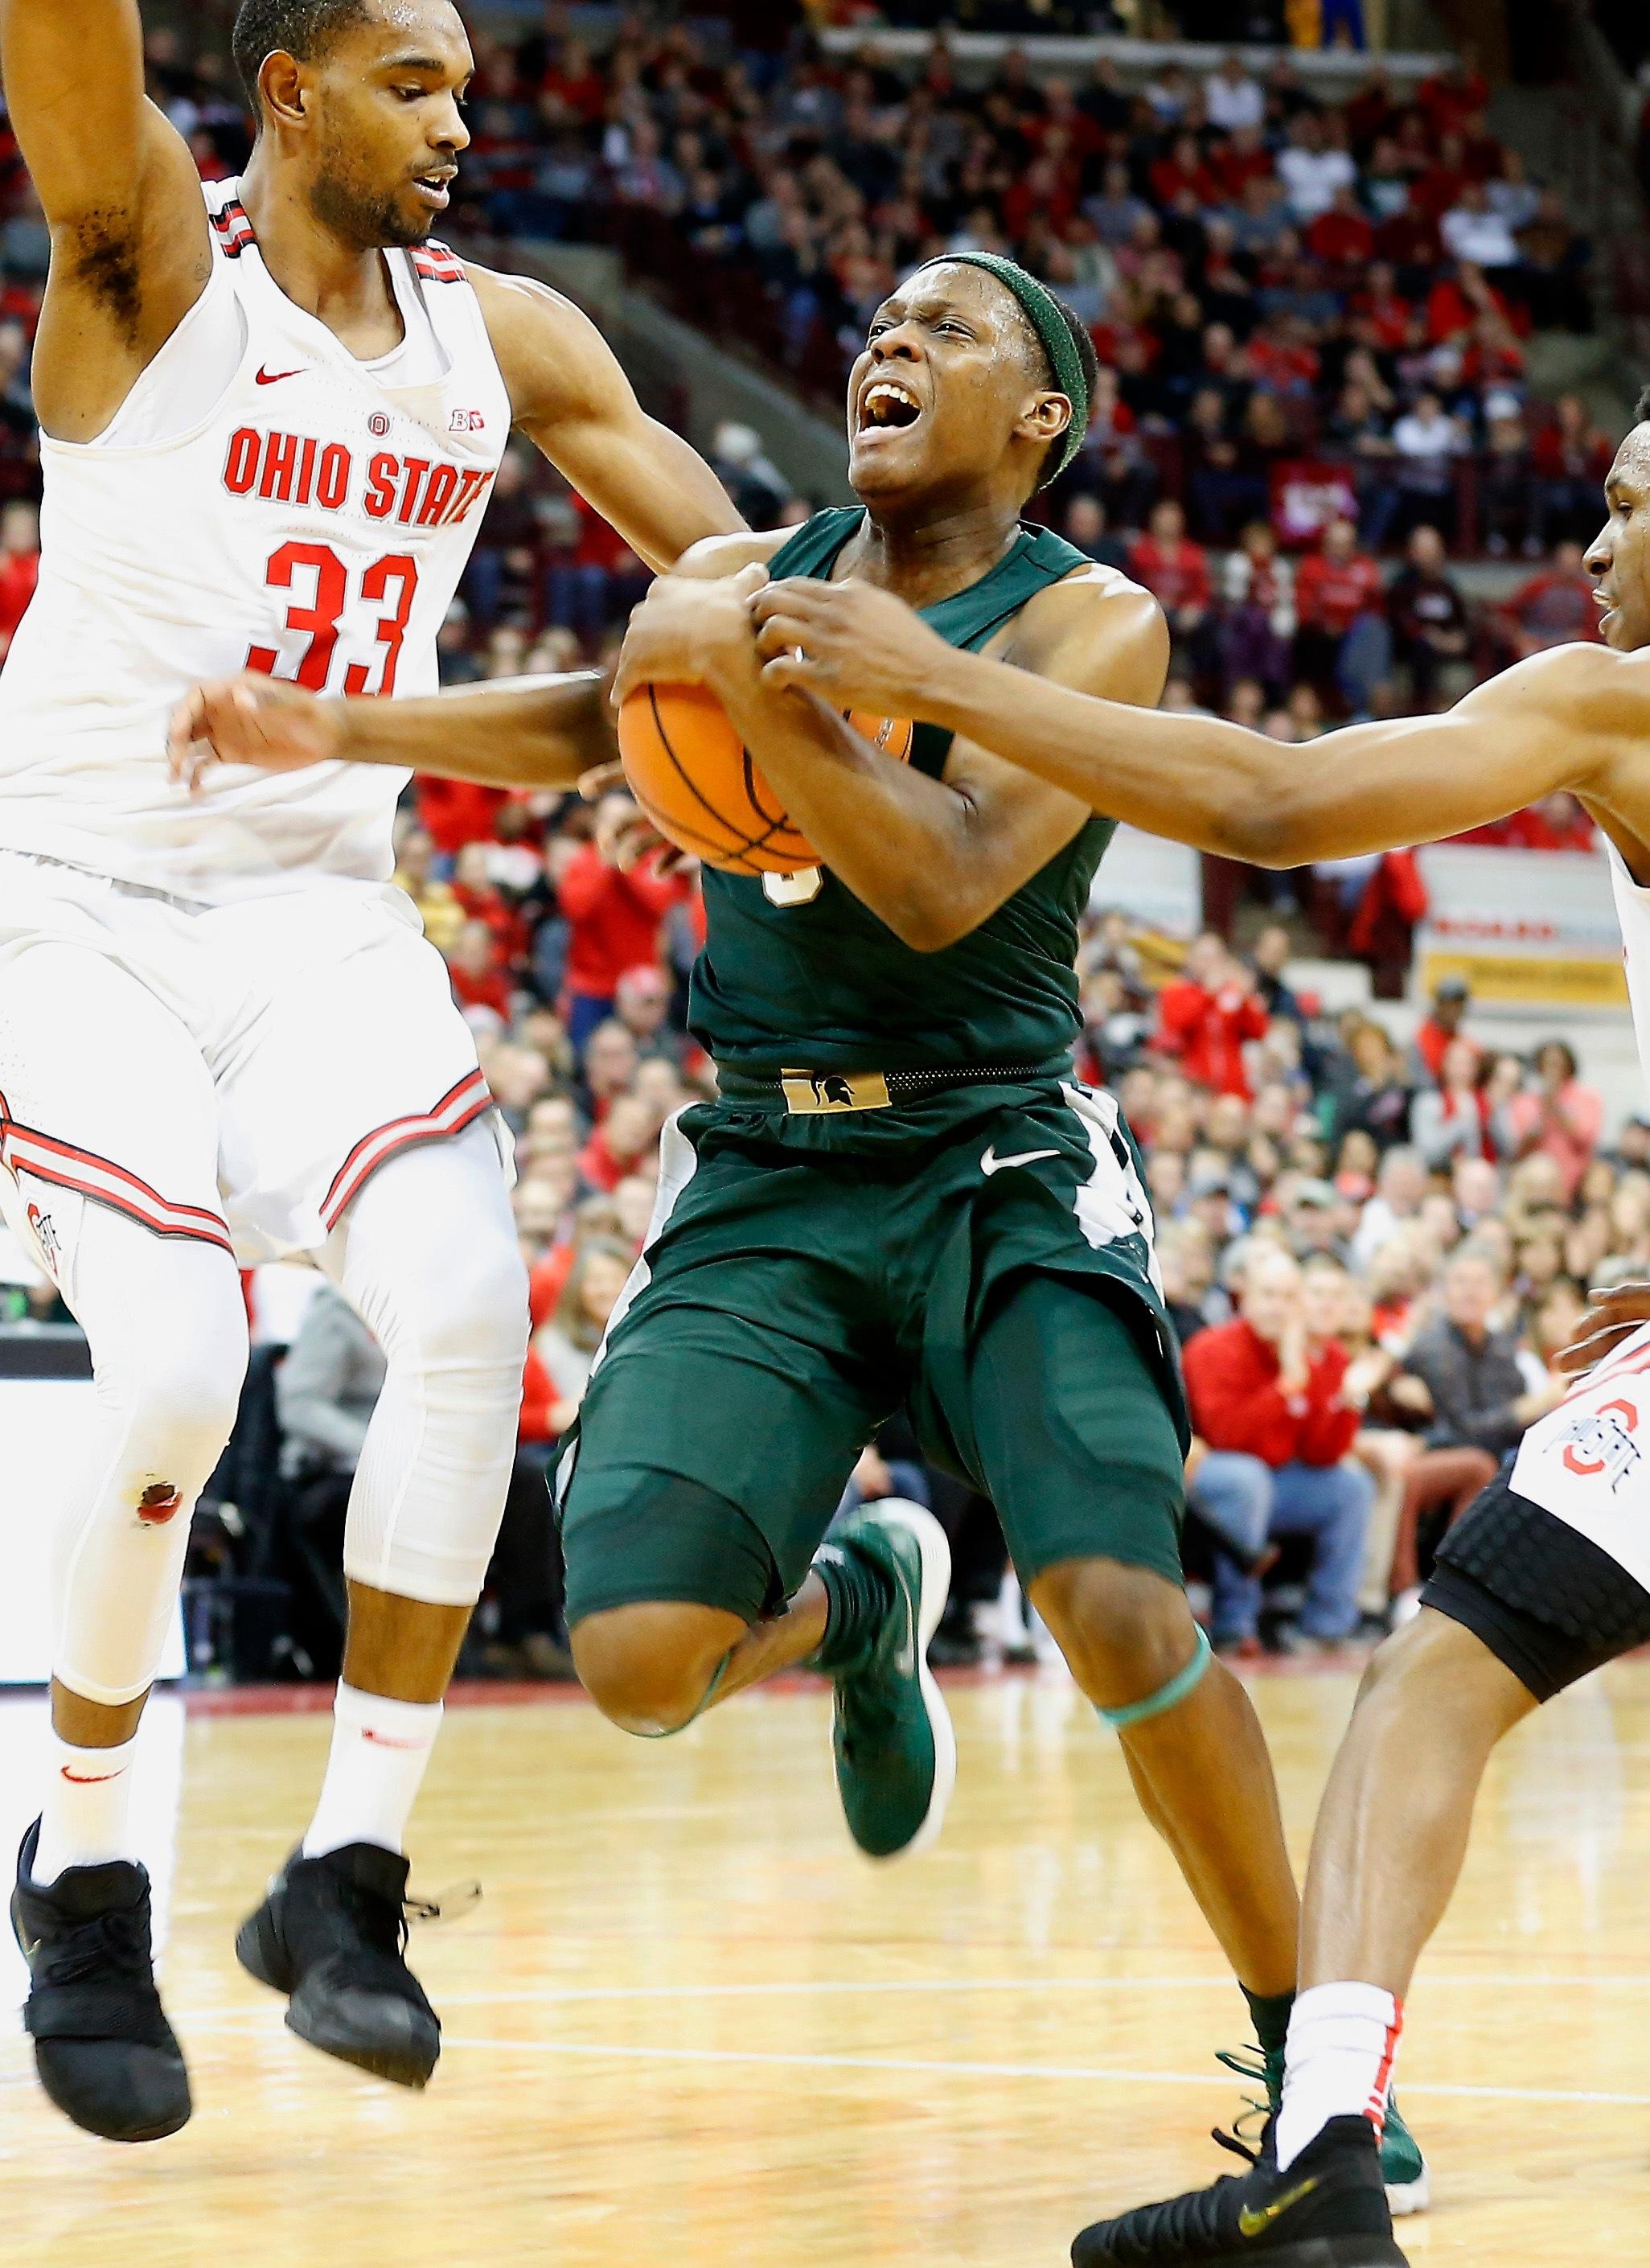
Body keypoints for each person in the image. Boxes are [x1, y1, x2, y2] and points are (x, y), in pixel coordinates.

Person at [173, 249, 1425, 2207]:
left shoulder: (1090, 622)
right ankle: (860, 1601)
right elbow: (597, 716)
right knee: (637, 1656)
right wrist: (337, 727)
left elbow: (941, 883)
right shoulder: (751, 571)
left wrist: (766, 693)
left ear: (1042, 419)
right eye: (881, 323)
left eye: (950, 327)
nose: (890, 342)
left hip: (995, 1156)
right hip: (768, 1160)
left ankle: (1310, 2057)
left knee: (1116, 1602)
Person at [717, 392, 1650, 2263]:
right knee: (1437, 1670)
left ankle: (1326, 2158)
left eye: (1632, 508)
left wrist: (943, 680)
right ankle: (1322, 2149)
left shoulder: (1614, 700)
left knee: (1430, 1681)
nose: (1596, 545)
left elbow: (1277, 804)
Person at [0, 0, 740, 2145]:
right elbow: (68, 69)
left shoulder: (502, 335)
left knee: (471, 1305)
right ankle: (88, 1874)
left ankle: (343, 1873)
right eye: (413, 81)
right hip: (77, 904)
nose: (458, 119)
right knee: (173, 1372)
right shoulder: (153, 265)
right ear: (290, 91)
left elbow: (728, 585)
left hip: (321, 917)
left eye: (468, 84)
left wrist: (753, 719)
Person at [1184, 1247, 1378, 1654]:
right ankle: (1235, 1624)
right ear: (1246, 1299)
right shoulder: (1212, 1347)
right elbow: (1227, 1436)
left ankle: (1327, 1626)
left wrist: (1348, 1402)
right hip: (1207, 1477)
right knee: (1247, 1478)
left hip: (1275, 1480)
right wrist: (1288, 1385)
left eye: (1289, 1297)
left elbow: (1321, 1454)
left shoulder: (1324, 1354)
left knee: (1352, 1487)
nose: (1278, 1307)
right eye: (1268, 1295)